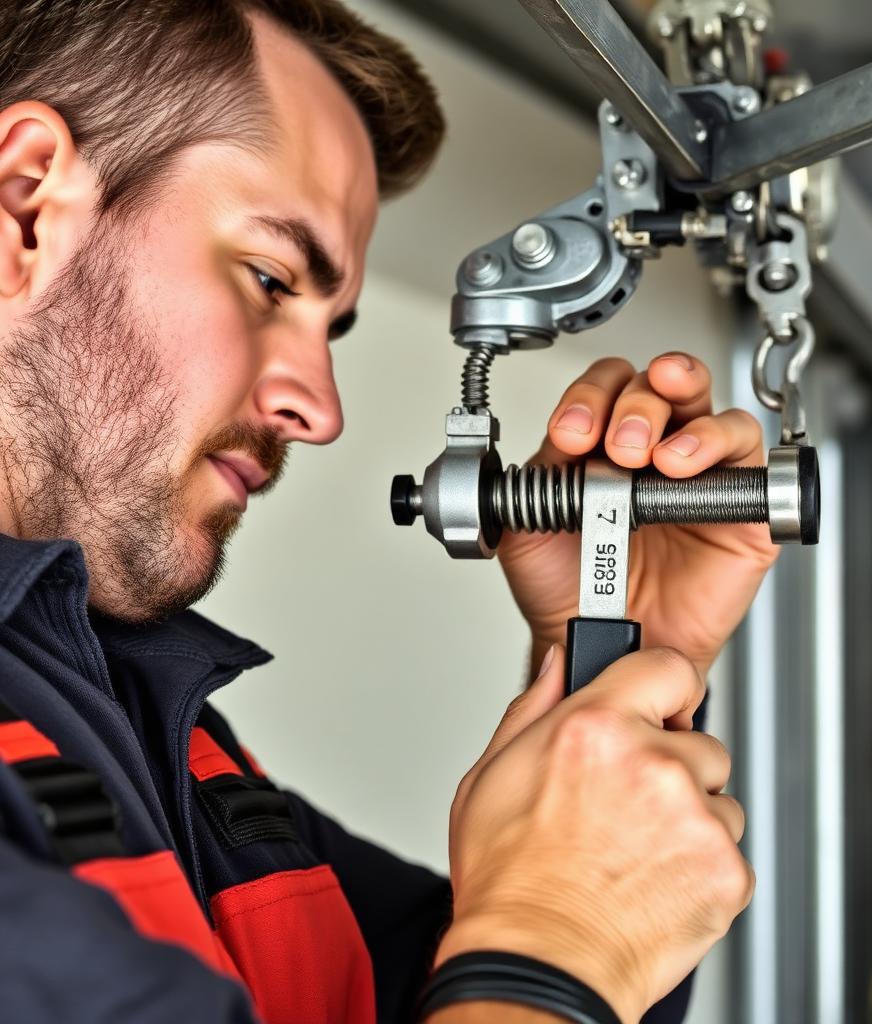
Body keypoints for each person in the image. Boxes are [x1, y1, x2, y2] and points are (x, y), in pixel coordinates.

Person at [0, 2, 777, 1022]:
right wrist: (558, 943)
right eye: (271, 276)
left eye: (330, 325)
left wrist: (614, 648)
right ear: (25, 206)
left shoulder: (157, 727)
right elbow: (535, 971)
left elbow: (466, 987)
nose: (318, 410)